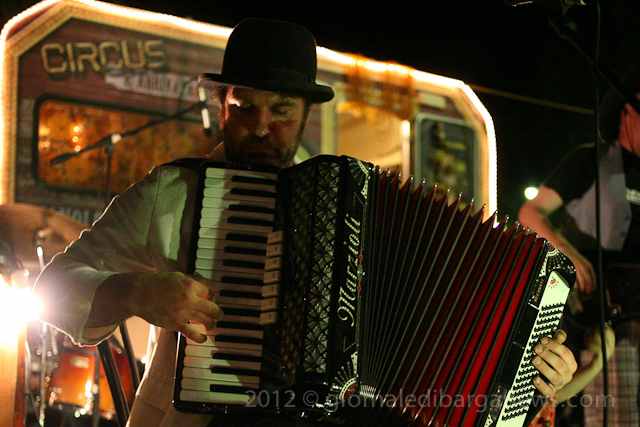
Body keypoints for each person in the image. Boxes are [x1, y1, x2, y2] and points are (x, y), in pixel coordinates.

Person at [33, 18, 577, 427]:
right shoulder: (173, 192)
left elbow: (456, 330)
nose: (261, 127)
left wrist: (537, 371)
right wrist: (133, 291)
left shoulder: (352, 205)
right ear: (222, 105)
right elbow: (51, 288)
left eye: (281, 111)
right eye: (245, 107)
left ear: (305, 114)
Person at [519, 88, 640, 426]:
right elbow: (530, 213)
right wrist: (568, 253)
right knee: (620, 415)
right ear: (627, 114)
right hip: (597, 315)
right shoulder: (589, 160)